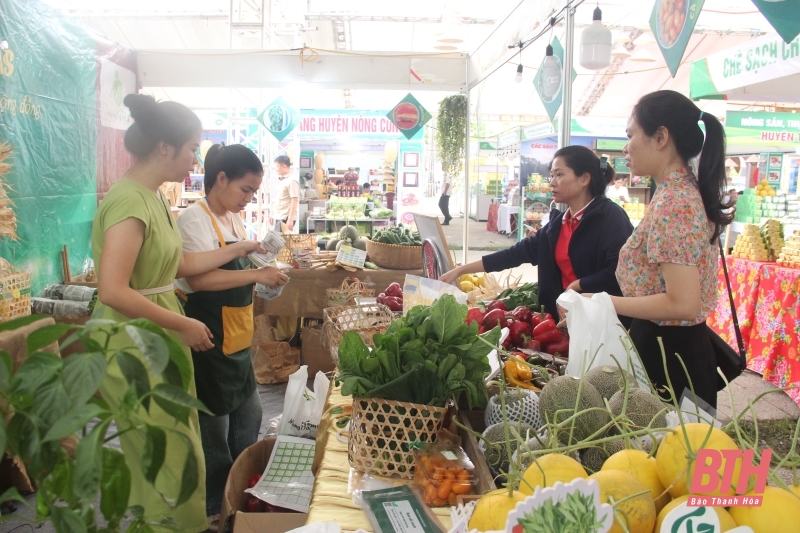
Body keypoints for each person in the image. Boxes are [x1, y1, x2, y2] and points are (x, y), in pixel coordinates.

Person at [91, 94, 265, 532]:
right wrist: (182, 321)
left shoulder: (153, 198)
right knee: (162, 451)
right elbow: (112, 290)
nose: (196, 160)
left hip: (158, 333)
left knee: (179, 444)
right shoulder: (129, 201)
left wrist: (243, 251)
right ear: (164, 147)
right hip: (136, 341)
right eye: (191, 148)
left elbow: (182, 268)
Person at [175, 144, 289, 525]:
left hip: (238, 341)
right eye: (245, 189)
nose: (249, 199)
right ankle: (213, 511)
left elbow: (240, 269)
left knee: (249, 418)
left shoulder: (233, 220)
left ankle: (237, 499)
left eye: (254, 192)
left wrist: (266, 275)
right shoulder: (195, 218)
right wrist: (255, 273)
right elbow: (199, 278)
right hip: (209, 339)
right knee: (215, 435)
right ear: (220, 179)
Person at [609, 90, 733, 409]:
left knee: (669, 454)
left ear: (661, 136)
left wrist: (607, 303)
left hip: (671, 362)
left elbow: (682, 303)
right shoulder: (677, 192)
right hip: (675, 352)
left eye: (631, 134)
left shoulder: (675, 203)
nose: (626, 147)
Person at [440, 145, 633, 322]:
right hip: (564, 321)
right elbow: (514, 254)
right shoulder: (558, 224)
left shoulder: (610, 217)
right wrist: (460, 270)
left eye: (559, 174)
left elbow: (621, 271)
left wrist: (578, 285)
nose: (552, 182)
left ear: (584, 178)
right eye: (552, 175)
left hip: (604, 321)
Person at [274, 155, 299, 232]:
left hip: (285, 217)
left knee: (280, 242)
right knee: (279, 241)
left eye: (277, 166)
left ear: (284, 166)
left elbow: (294, 199)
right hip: (280, 215)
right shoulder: (283, 180)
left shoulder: (292, 180)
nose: (276, 169)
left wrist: (290, 219)